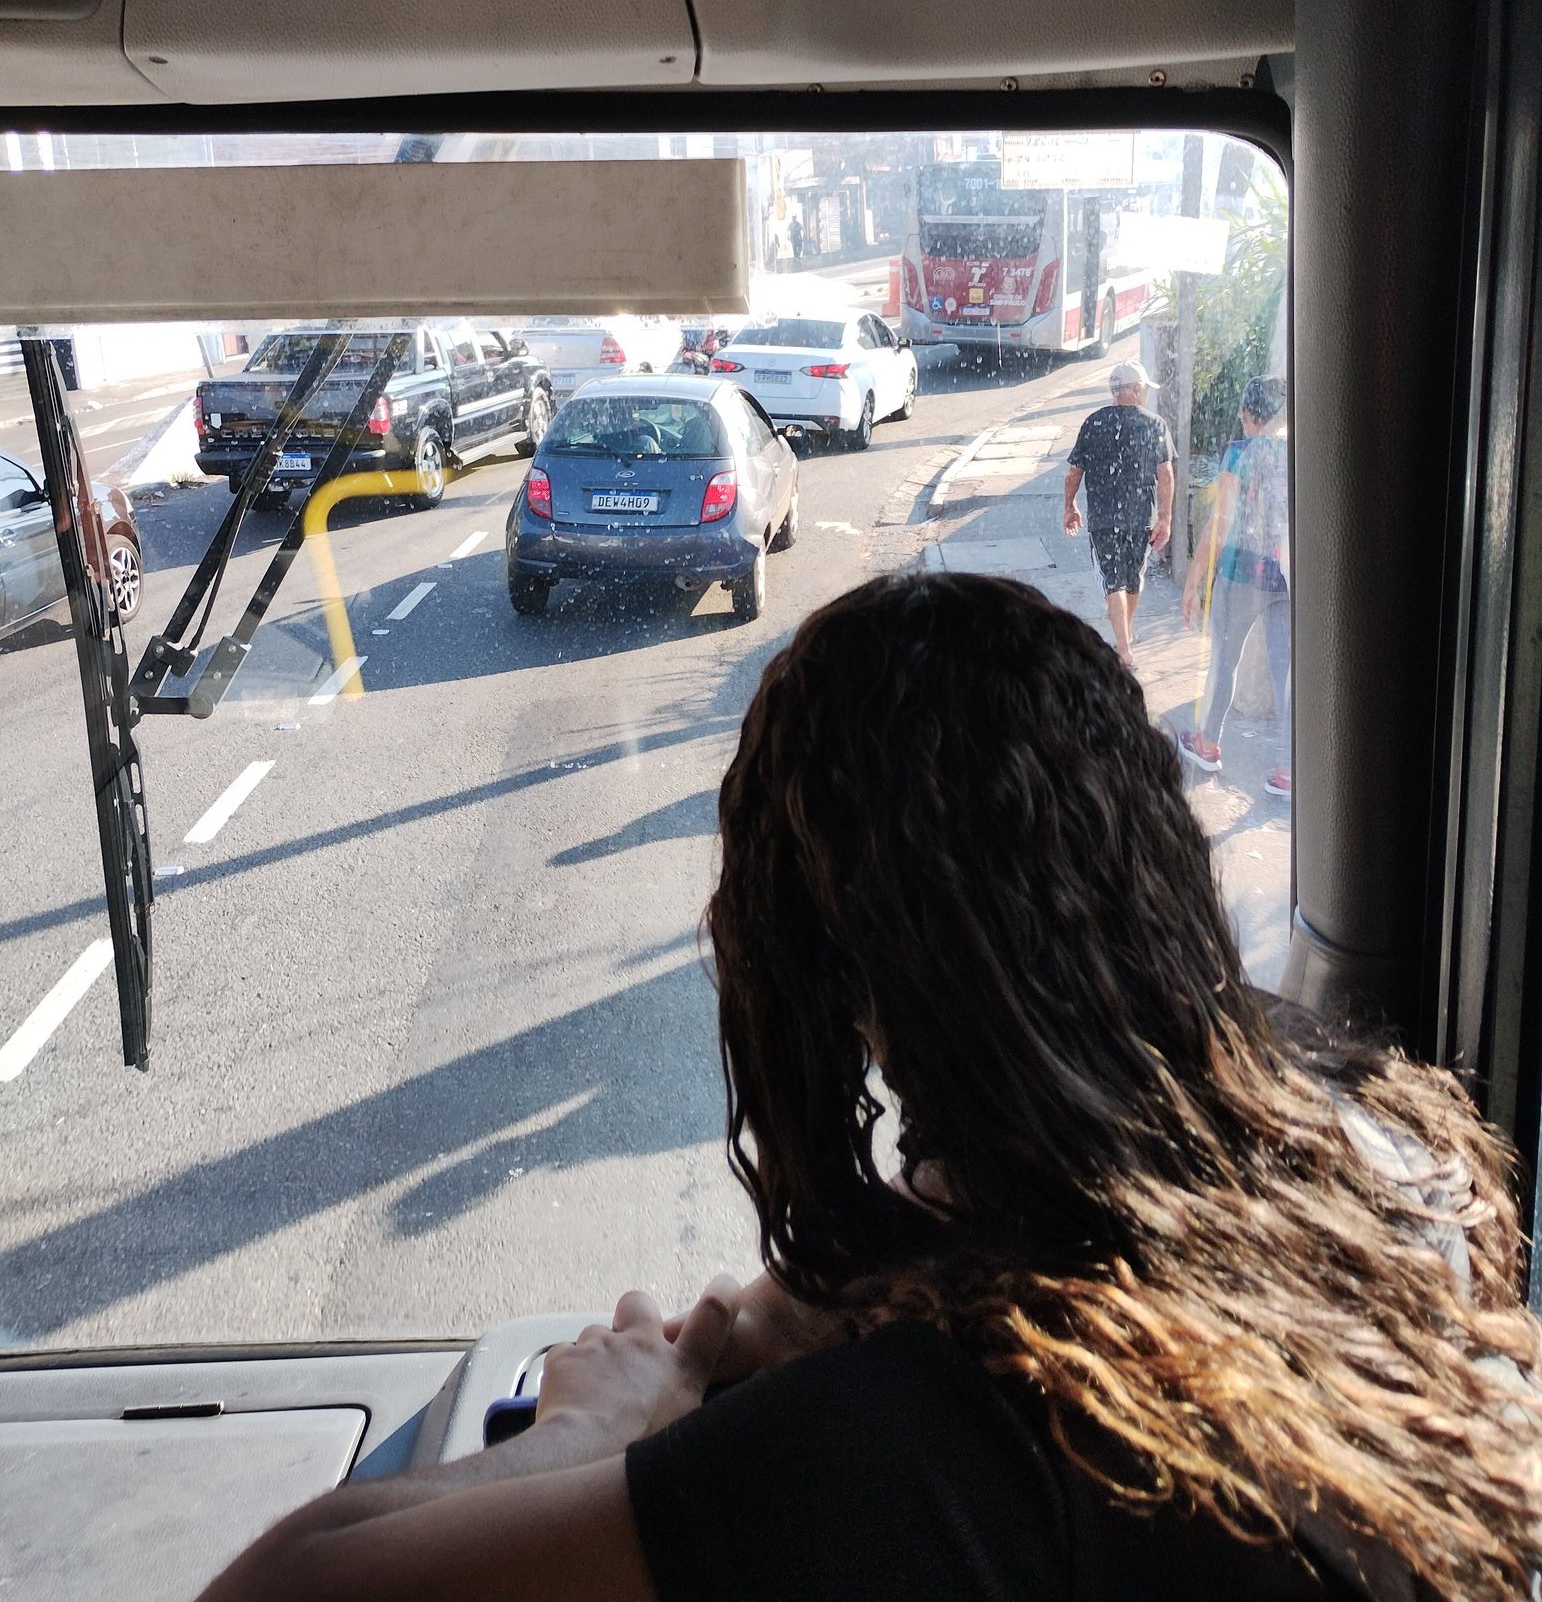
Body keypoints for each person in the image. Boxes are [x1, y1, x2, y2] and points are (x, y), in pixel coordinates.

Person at [203, 574, 1542, 1602]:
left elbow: (281, 1587)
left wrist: (597, 1426)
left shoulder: (944, 1437)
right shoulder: (1378, 1142)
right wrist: (854, 1282)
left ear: (820, 977)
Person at [1180, 374, 1292, 798]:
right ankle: (1287, 769)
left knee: (1224, 661)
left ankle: (1207, 744)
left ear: (1247, 414)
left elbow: (1220, 525)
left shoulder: (1239, 454)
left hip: (1240, 573)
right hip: (1283, 575)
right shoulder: (1297, 452)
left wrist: (1193, 580)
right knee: (1285, 673)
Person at [1063, 358, 1174, 665]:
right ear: (1137, 389)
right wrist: (1165, 517)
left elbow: (1074, 473)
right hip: (1140, 516)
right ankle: (1124, 640)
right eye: (1144, 389)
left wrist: (1069, 505)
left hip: (1103, 517)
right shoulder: (1155, 424)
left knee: (1114, 581)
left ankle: (1123, 645)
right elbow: (1165, 473)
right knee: (1133, 577)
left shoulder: (1094, 422)